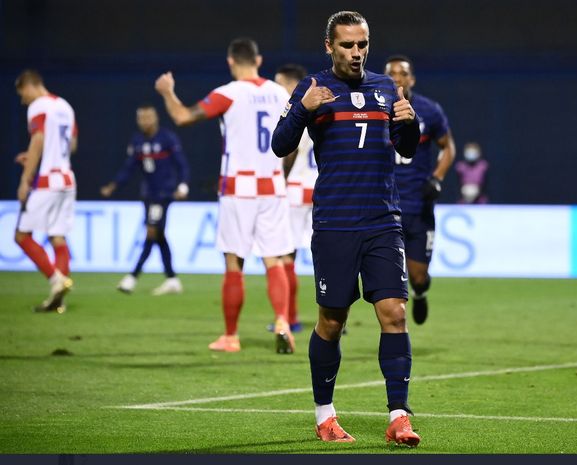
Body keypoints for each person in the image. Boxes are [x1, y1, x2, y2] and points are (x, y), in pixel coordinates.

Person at [272, 11, 422, 446]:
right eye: (347, 46)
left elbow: (406, 150)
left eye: (362, 45)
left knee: (394, 314)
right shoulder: (313, 89)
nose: (356, 53)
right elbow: (280, 144)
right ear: (329, 47)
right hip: (335, 222)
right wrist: (303, 109)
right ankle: (325, 415)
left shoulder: (384, 87)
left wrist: (408, 125)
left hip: (382, 220)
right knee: (332, 322)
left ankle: (398, 417)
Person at [154, 37, 296, 354]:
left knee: (234, 262)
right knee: (274, 260)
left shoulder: (228, 94)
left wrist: (167, 92)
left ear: (231, 62)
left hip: (239, 189)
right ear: (259, 61)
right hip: (273, 186)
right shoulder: (280, 93)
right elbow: (293, 141)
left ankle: (231, 336)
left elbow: (182, 117)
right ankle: (283, 322)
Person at [385, 55, 456, 326]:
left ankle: (421, 293)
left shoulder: (429, 110)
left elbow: (448, 147)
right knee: (389, 276)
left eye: (401, 73)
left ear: (411, 79)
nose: (395, 78)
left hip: (419, 205)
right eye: (390, 73)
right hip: (386, 206)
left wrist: (437, 178)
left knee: (417, 275)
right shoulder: (375, 109)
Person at [100, 104, 190, 295]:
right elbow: (129, 168)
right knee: (158, 235)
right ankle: (172, 279)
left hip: (164, 194)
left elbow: (182, 164)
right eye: (141, 118)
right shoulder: (137, 141)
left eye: (148, 117)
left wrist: (182, 186)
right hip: (148, 195)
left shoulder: (167, 138)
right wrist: (114, 185)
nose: (144, 121)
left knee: (151, 232)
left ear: (156, 118)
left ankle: (132, 277)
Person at [13, 70, 76, 313]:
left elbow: (38, 138)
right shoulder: (65, 106)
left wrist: (25, 179)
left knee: (21, 235)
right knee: (57, 236)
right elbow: (71, 144)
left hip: (49, 180)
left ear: (29, 86)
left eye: (22, 94)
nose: (23, 100)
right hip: (68, 178)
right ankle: (58, 300)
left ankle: (56, 280)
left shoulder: (38, 106)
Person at [264, 63, 319, 334]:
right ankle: (335, 317)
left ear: (292, 84)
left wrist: (280, 180)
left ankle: (290, 318)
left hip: (296, 189)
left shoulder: (295, 112)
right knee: (328, 256)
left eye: (280, 83)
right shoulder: (321, 106)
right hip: (320, 189)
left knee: (287, 256)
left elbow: (291, 150)